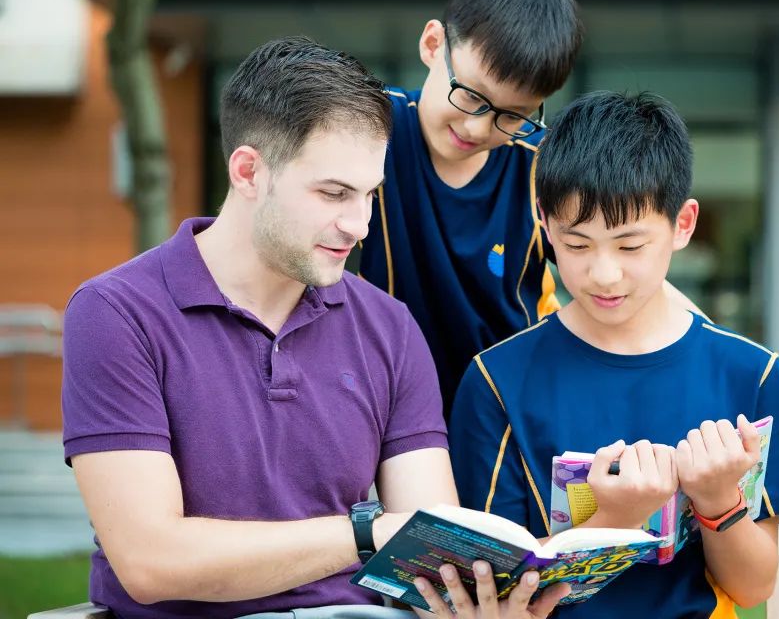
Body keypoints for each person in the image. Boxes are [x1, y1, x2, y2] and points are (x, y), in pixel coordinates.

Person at [61, 37, 567, 619]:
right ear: (249, 171)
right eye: (334, 194)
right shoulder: (116, 314)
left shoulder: (390, 327)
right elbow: (152, 563)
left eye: (371, 195)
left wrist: (479, 599)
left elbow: (431, 552)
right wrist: (366, 532)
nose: (360, 225)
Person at [355, 0, 779, 479]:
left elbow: (646, 286)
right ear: (431, 45)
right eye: (468, 95)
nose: (476, 125)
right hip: (394, 416)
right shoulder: (366, 136)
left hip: (509, 416)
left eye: (511, 115)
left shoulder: (541, 167)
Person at [449, 91, 779, 618]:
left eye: (629, 246)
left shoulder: (747, 374)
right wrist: (616, 518)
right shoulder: (497, 381)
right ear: (544, 223)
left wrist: (718, 501)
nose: (603, 274)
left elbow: (755, 586)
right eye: (577, 245)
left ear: (683, 225)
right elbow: (498, 597)